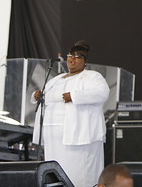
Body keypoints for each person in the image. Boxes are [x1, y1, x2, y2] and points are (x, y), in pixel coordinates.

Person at [31, 40, 110, 187]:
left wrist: (74, 96)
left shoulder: (92, 76)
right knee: (55, 174)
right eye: (70, 56)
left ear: (85, 61)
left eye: (77, 56)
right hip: (53, 137)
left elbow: (102, 93)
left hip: (79, 137)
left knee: (79, 174)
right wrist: (37, 96)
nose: (72, 59)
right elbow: (46, 98)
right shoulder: (55, 79)